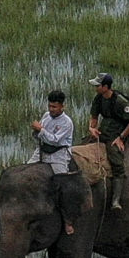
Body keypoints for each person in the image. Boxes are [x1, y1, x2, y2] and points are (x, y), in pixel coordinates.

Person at [29, 90, 85, 236]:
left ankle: (68, 220)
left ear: (62, 107)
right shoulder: (46, 116)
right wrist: (36, 131)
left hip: (58, 155)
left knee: (63, 186)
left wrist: (40, 130)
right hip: (43, 150)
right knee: (27, 171)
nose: (51, 109)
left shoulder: (67, 123)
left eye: (54, 107)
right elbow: (40, 136)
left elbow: (55, 140)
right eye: (50, 106)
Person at [87, 73, 129, 213]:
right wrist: (92, 128)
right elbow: (94, 117)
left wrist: (121, 137)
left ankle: (116, 199)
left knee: (116, 162)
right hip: (104, 129)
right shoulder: (99, 99)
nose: (96, 88)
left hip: (117, 132)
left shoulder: (120, 102)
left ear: (106, 87)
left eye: (98, 85)